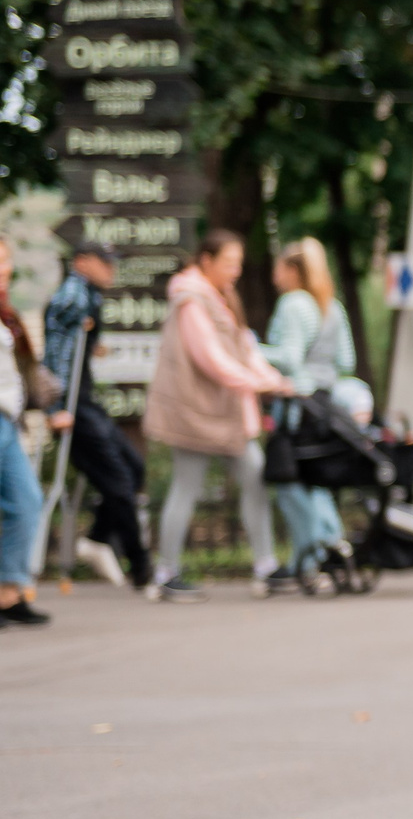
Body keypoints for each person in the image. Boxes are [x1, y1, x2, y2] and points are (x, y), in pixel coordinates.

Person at [142, 229, 291, 601]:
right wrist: (256, 384)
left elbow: (243, 347)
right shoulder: (191, 300)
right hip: (197, 415)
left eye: (238, 264)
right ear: (206, 261)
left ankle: (265, 566)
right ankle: (165, 574)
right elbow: (209, 356)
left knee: (255, 477)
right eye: (229, 263)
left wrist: (272, 378)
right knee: (187, 487)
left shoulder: (221, 297)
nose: (235, 271)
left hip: (226, 417)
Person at [43, 240, 152, 590]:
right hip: (72, 405)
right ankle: (142, 566)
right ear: (82, 261)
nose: (111, 269)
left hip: (86, 399)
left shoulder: (90, 294)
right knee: (119, 481)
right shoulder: (72, 297)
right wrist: (55, 408)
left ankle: (97, 539)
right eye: (105, 263)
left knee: (133, 469)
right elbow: (57, 355)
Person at [260, 237, 358, 574]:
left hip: (296, 406)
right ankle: (333, 549)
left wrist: (247, 347)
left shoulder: (292, 304)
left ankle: (310, 557)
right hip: (324, 403)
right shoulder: (332, 305)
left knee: (290, 484)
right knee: (317, 481)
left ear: (291, 269)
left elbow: (288, 357)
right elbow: (347, 360)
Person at [0, 236, 52, 626]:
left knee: (27, 500)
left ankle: (8, 592)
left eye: (7, 262)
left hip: (7, 419)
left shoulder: (7, 312)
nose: (6, 270)